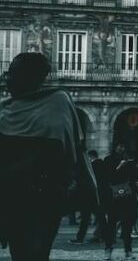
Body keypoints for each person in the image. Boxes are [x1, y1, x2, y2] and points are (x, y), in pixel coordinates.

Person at [0, 52, 95, 261]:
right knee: (20, 253)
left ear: (33, 77)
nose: (7, 78)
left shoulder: (56, 103)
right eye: (8, 73)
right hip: (10, 197)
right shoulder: (5, 107)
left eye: (13, 74)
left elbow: (61, 151)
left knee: (35, 253)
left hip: (43, 197)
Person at [103, 143, 138, 260]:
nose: (121, 148)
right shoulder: (108, 159)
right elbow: (107, 177)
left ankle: (128, 251)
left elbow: (135, 177)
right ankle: (108, 249)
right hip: (113, 198)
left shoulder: (130, 160)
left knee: (127, 226)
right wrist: (120, 166)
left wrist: (137, 170)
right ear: (114, 147)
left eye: (123, 146)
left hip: (127, 198)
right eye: (119, 146)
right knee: (111, 225)